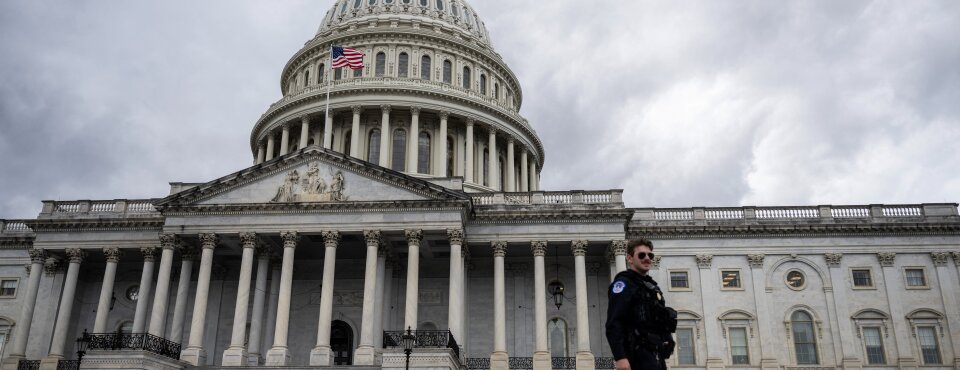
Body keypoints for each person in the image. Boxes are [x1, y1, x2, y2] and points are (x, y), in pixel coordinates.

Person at [606, 238, 677, 370]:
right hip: (636, 355)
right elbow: (614, 323)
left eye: (650, 255)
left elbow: (661, 319)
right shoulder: (623, 284)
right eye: (641, 255)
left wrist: (668, 340)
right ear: (629, 258)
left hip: (656, 356)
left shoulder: (653, 288)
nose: (647, 258)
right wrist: (620, 357)